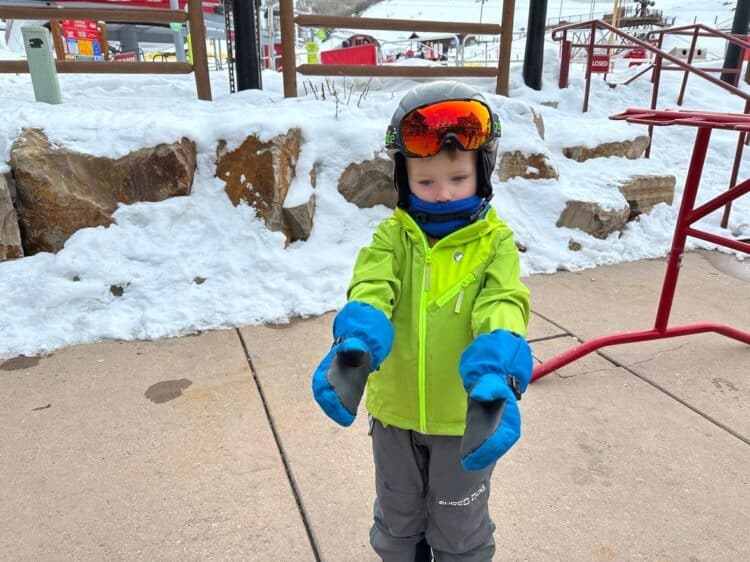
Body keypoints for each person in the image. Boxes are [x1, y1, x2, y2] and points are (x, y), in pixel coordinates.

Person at [312, 81, 532, 562]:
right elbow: (373, 286)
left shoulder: (494, 243)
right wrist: (357, 342)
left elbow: (503, 302)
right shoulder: (393, 238)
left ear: (482, 171)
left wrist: (496, 368)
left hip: (464, 419)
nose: (440, 194)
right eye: (426, 182)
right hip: (395, 418)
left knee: (459, 531)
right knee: (397, 524)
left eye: (457, 179)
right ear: (403, 178)